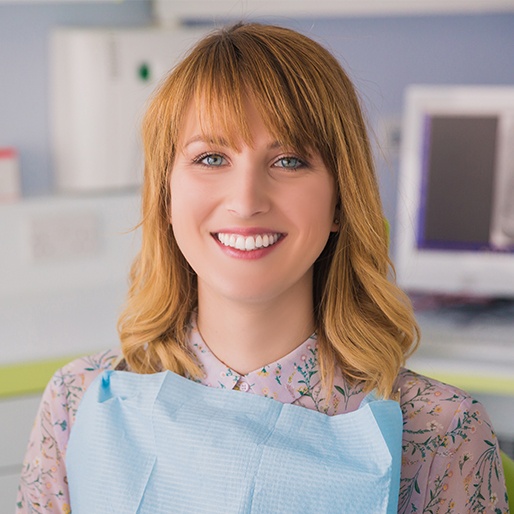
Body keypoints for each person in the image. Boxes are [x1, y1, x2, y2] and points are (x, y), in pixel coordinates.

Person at [17, 22, 509, 514]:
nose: (246, 200)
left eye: (290, 161)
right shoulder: (76, 402)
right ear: (166, 196)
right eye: (211, 157)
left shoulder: (439, 432)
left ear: (341, 201)